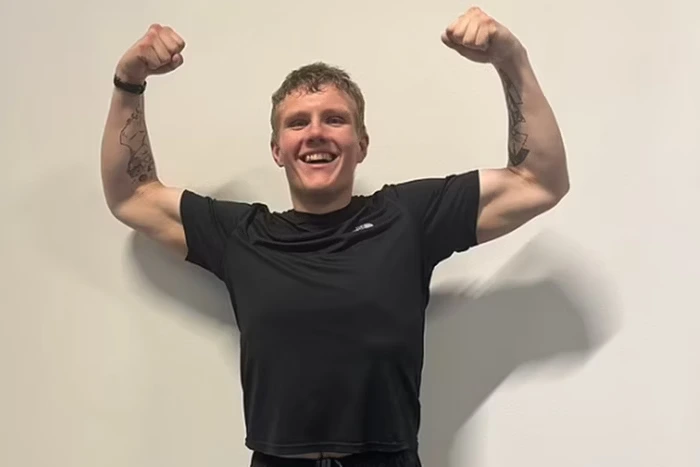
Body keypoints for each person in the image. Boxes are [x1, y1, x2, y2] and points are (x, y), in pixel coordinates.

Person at [100, 5, 569, 467]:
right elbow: (131, 195)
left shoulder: (407, 219)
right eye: (297, 122)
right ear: (277, 150)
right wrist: (129, 82)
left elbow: (539, 182)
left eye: (335, 119)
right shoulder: (241, 236)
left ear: (361, 145)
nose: (316, 133)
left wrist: (511, 59)